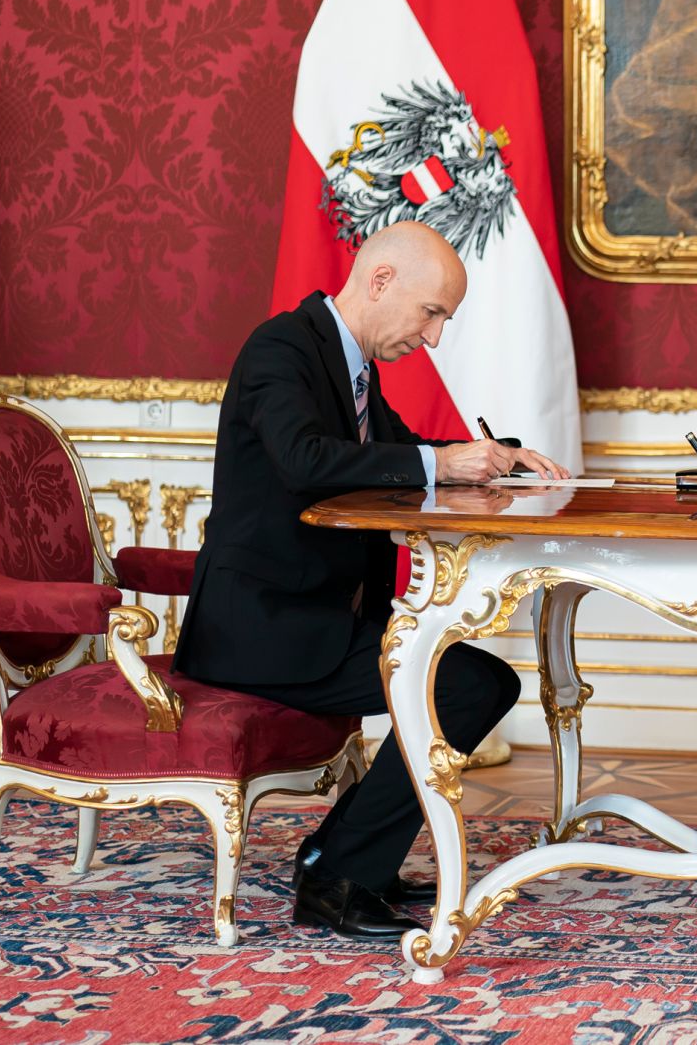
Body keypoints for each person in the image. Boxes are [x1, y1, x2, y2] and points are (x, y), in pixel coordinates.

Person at [174, 221, 568, 939]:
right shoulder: (280, 349)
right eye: (433, 312)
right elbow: (304, 459)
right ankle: (336, 875)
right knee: (468, 685)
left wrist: (488, 453)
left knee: (480, 683)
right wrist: (442, 466)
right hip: (263, 631)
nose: (437, 336)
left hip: (318, 620)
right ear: (381, 280)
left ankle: (345, 856)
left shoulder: (349, 366)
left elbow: (394, 452)